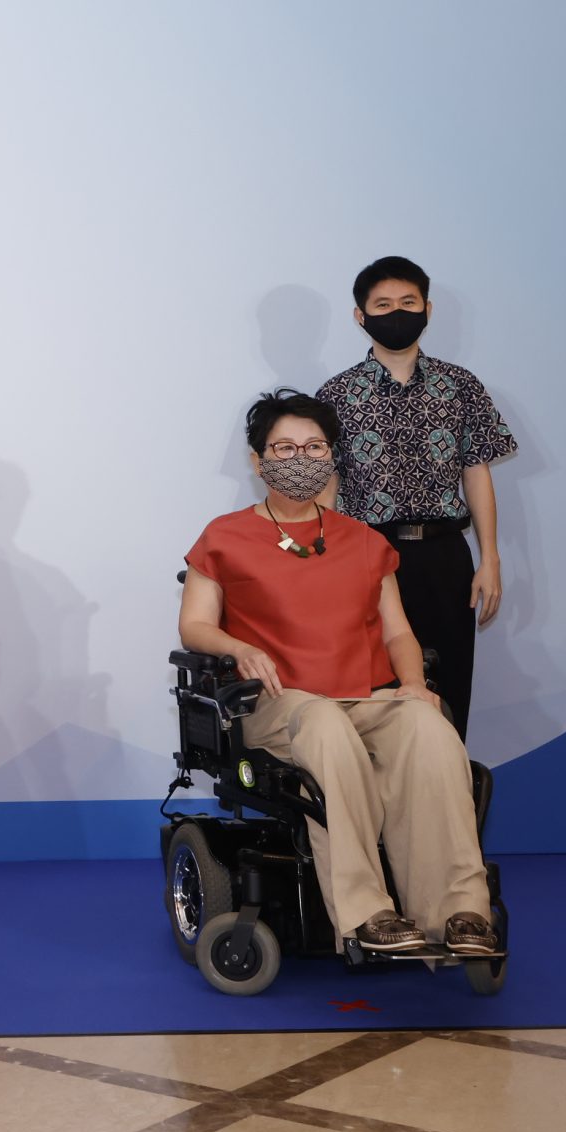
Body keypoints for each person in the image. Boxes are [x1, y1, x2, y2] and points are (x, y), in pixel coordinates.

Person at [179, 389, 500, 959]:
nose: (300, 458)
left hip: (367, 698)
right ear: (258, 461)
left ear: (332, 455)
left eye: (314, 446)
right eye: (284, 447)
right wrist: (239, 647)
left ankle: (458, 910)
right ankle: (366, 914)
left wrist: (414, 686)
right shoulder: (223, 536)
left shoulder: (364, 540)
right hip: (280, 703)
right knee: (326, 724)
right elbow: (195, 627)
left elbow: (398, 631)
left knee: (428, 728)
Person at [316, 255, 518, 738]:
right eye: (382, 304)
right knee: (378, 694)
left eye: (407, 302)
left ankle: (445, 797)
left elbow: (477, 472)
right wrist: (318, 566)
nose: (396, 312)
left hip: (447, 556)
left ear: (427, 309)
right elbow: (326, 487)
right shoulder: (335, 395)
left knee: (448, 689)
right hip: (368, 559)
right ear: (360, 316)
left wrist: (489, 558)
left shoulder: (461, 386)